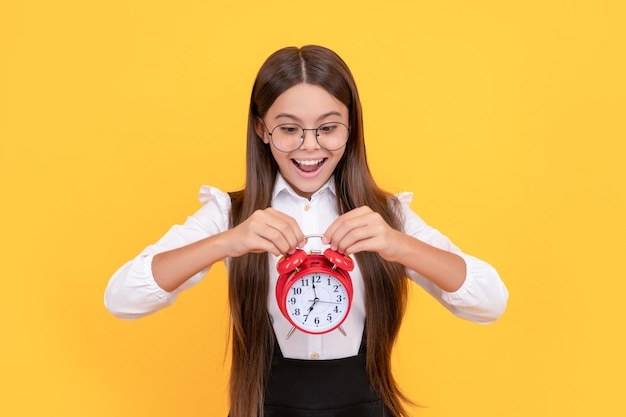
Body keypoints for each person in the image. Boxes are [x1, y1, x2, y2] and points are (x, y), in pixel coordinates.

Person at [105, 45, 509, 417]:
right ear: (262, 130)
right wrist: (228, 241)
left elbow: (490, 302)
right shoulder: (231, 214)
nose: (310, 146)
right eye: (289, 129)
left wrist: (398, 244)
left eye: (328, 128)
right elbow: (122, 299)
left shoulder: (385, 216)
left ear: (351, 129)